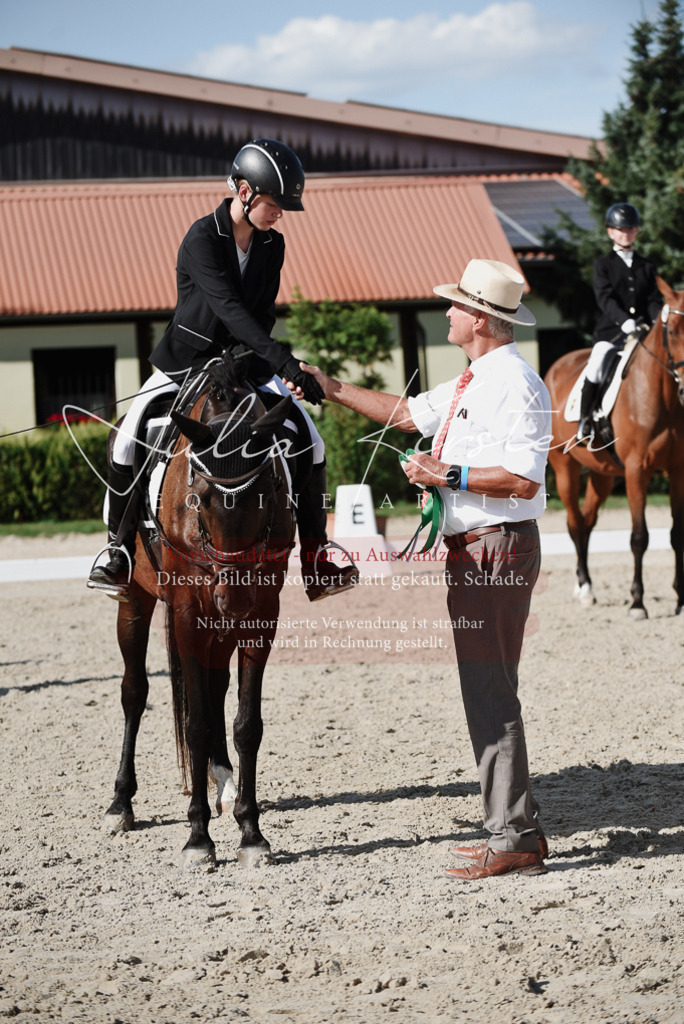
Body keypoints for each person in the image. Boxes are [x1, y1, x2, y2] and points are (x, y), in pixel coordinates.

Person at [288, 259, 551, 880]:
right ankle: (514, 830)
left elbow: (524, 479)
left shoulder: (516, 384)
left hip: (495, 547)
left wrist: (447, 474)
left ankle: (514, 836)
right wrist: (330, 386)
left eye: (457, 305)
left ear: (481, 319)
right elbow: (407, 414)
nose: (448, 312)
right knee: (486, 688)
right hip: (477, 547)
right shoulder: (474, 380)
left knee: (490, 690)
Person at [87, 138, 358, 603]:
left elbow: (261, 315)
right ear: (245, 192)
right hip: (187, 362)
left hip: (245, 364)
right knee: (129, 437)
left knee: (311, 439)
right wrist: (284, 361)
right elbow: (229, 308)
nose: (279, 214)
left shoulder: (272, 244)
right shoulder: (201, 238)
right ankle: (117, 551)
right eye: (274, 204)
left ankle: (317, 559)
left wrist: (283, 369)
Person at [578, 203, 662, 440]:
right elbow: (605, 298)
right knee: (596, 364)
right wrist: (624, 320)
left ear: (636, 231)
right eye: (620, 229)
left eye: (630, 229)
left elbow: (653, 299)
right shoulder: (603, 264)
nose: (626, 233)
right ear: (610, 232)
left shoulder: (647, 266)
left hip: (643, 330)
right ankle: (586, 420)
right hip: (612, 331)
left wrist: (657, 321)